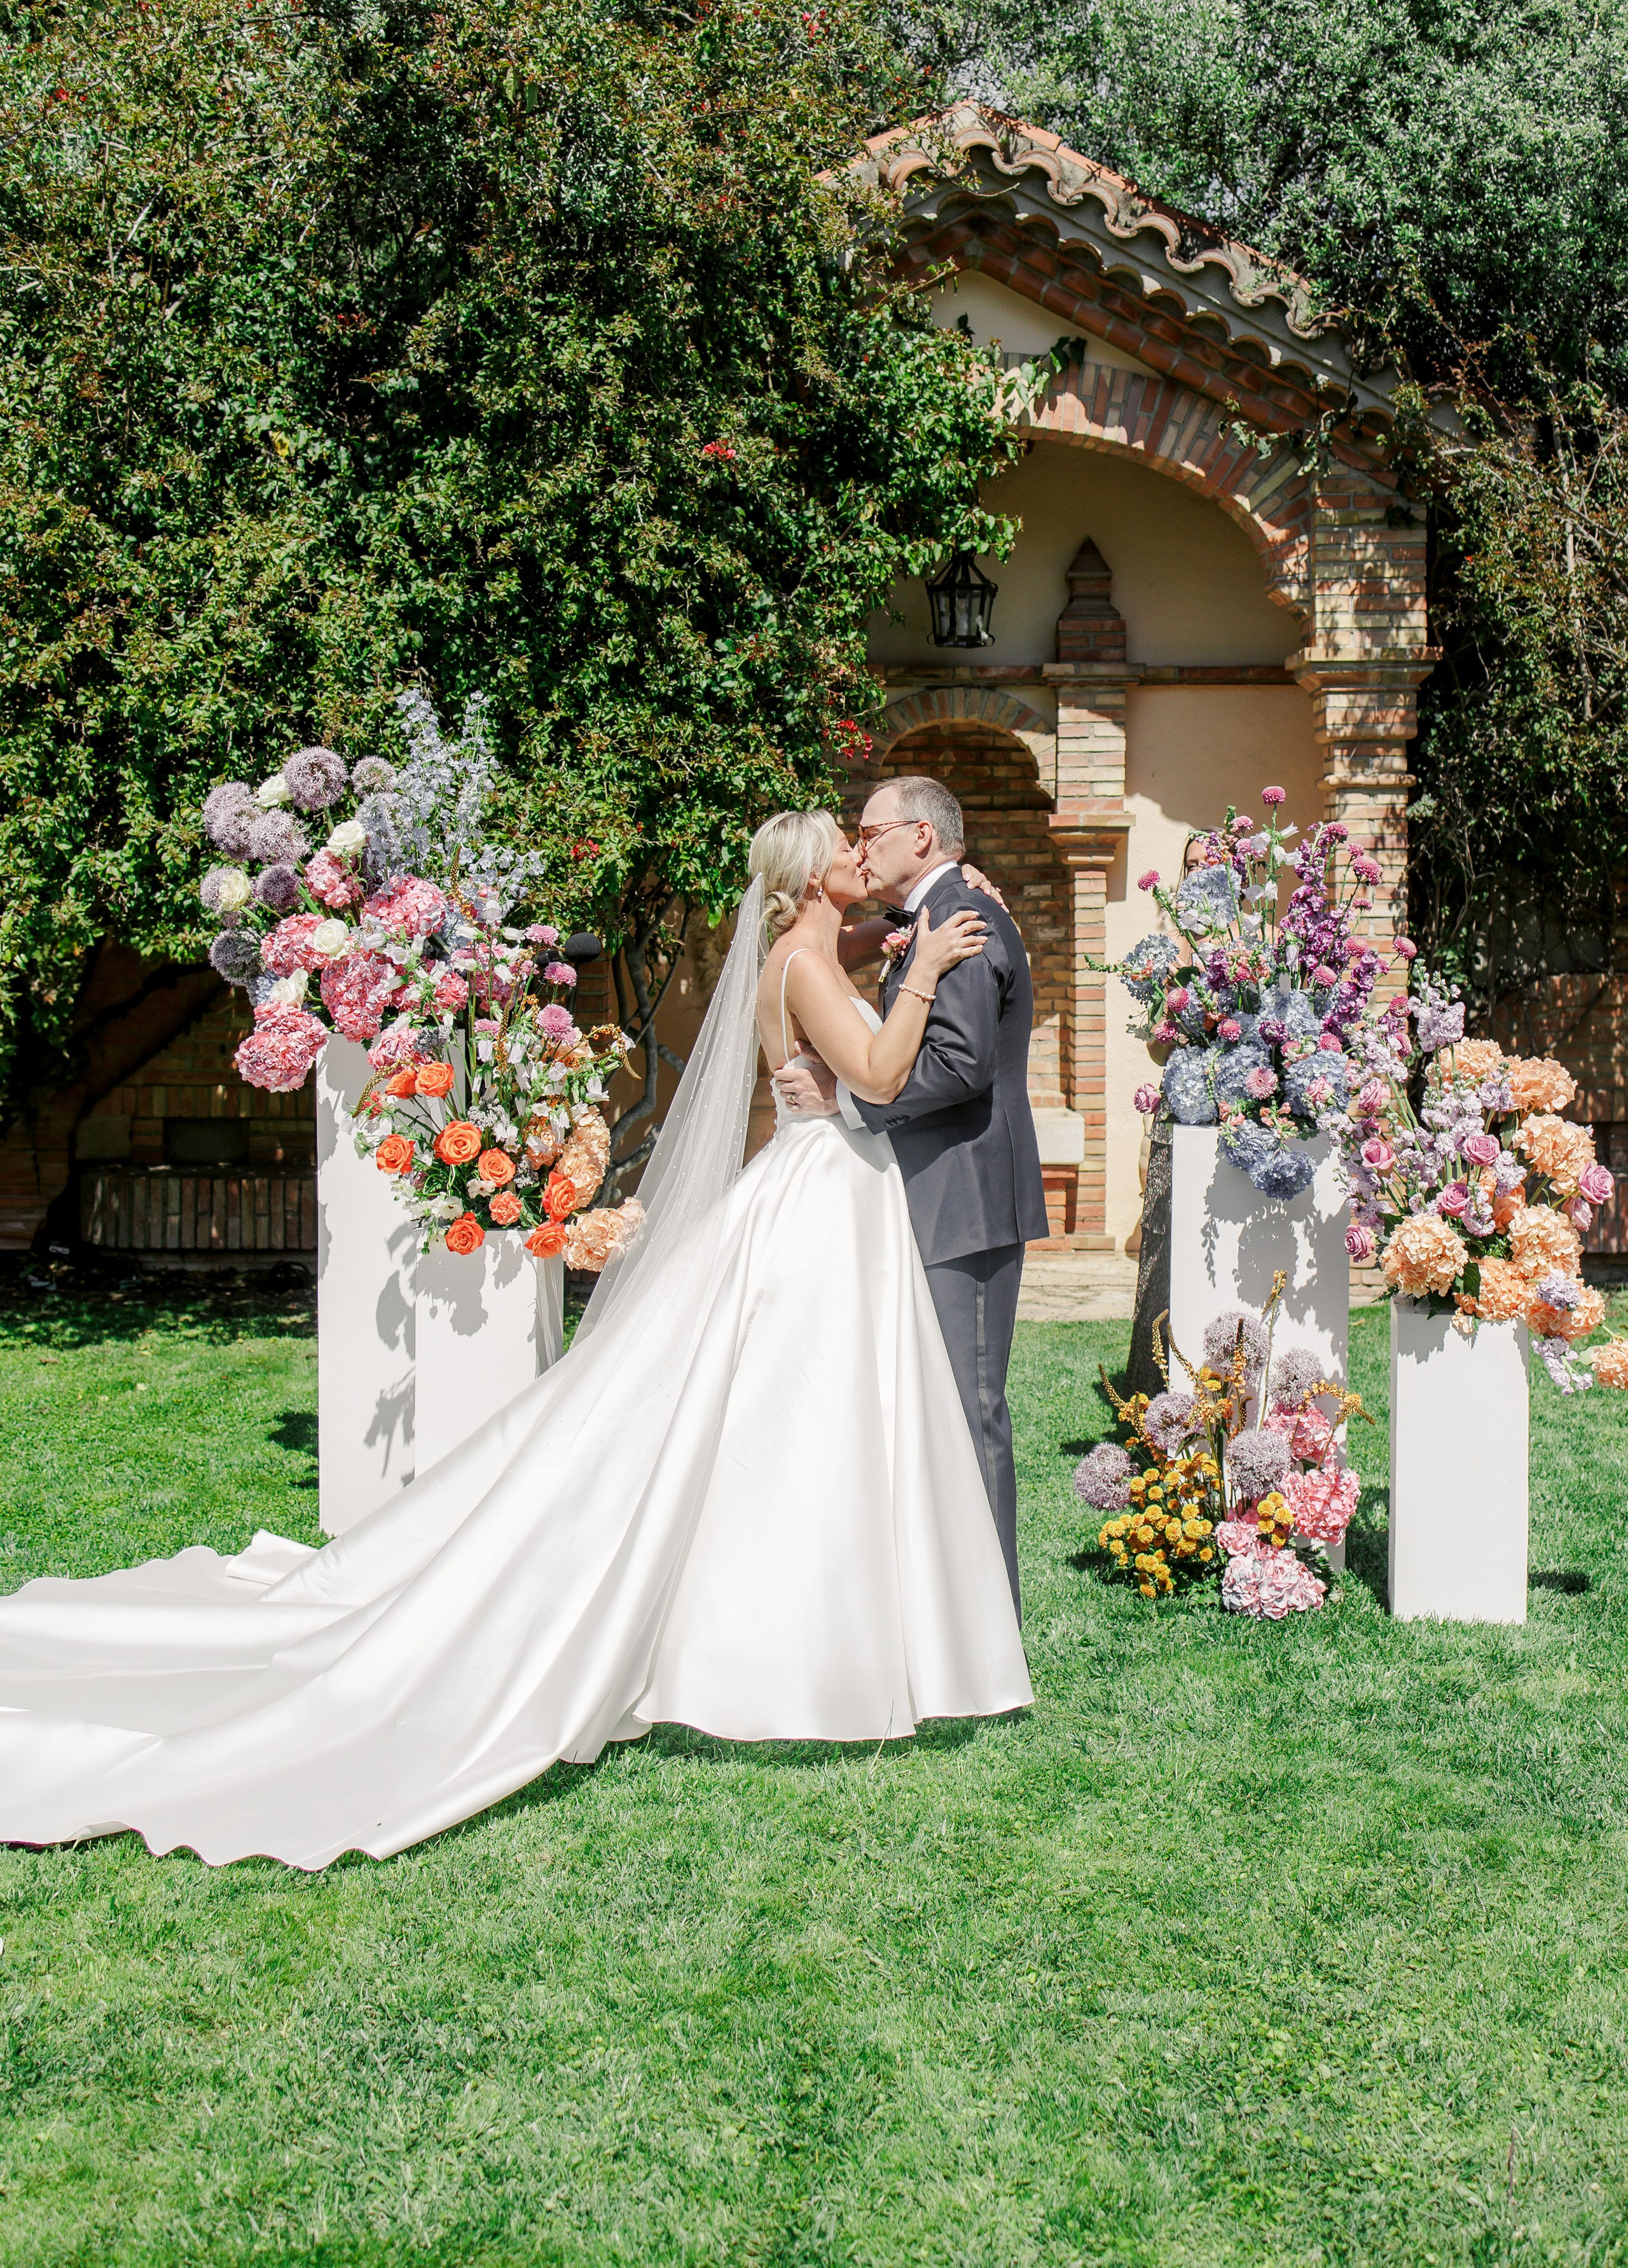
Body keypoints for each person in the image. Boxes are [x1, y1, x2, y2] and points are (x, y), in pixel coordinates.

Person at [0, 813, 1030, 1872]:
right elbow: (880, 1073)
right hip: (825, 1200)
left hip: (816, 1189)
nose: (868, 860)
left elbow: (825, 995)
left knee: (780, 1419)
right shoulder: (810, 962)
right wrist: (923, 974)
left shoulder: (797, 953)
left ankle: (800, 1635)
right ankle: (791, 1650)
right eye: (849, 850)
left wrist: (886, 948)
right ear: (816, 871)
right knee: (804, 1417)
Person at [775, 777, 1049, 1616]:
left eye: (873, 831)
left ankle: (986, 1613)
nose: (862, 848)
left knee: (971, 1406)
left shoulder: (961, 920)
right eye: (850, 839)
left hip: (962, 1192)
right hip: (929, 1192)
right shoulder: (930, 919)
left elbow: (960, 1067)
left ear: (923, 837)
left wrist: (848, 1099)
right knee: (931, 1401)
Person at [1124, 829, 1211, 1400]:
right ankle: (1157, 1388)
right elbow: (1158, 1049)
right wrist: (1170, 1018)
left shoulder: (1261, 939)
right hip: (1182, 1106)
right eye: (1191, 865)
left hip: (1239, 1110)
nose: (1199, 874)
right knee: (1166, 1244)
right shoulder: (1172, 949)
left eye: (1212, 863)